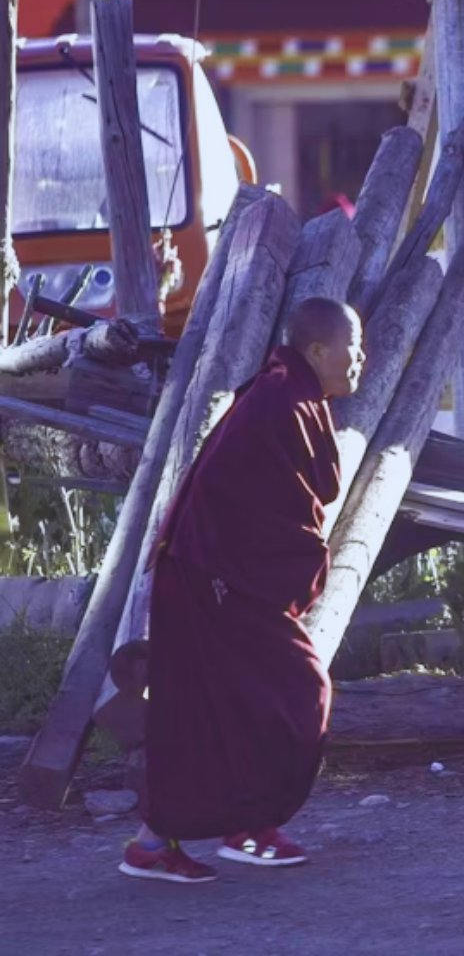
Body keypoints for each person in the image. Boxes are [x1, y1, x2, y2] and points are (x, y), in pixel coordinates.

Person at [118, 297, 364, 884]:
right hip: (212, 577)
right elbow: (258, 513)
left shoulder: (291, 395)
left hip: (211, 573)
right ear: (318, 350)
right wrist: (288, 574)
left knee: (212, 709)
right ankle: (241, 830)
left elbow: (275, 503)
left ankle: (168, 841)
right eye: (355, 347)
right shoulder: (281, 401)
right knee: (300, 690)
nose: (362, 360)